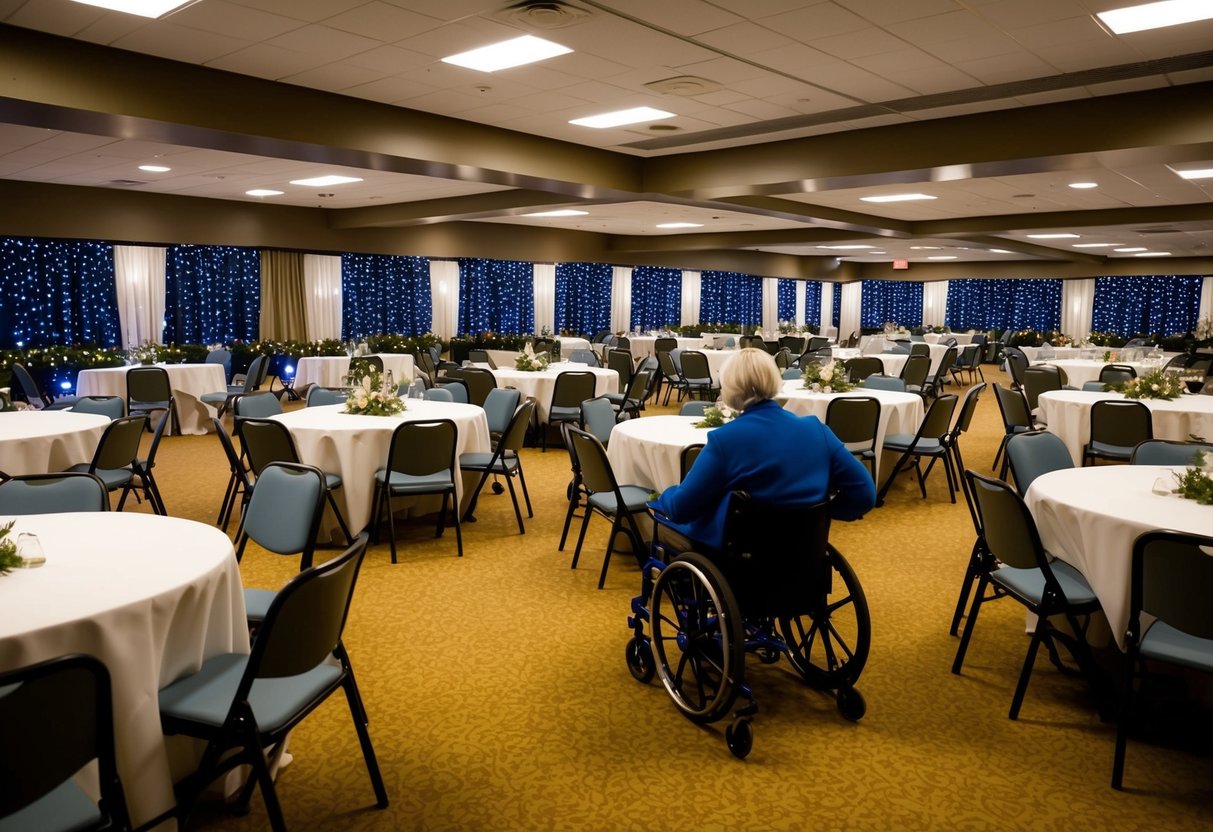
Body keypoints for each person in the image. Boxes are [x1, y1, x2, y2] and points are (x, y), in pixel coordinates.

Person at [649, 348, 876, 554]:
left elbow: (682, 509)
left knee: (665, 516)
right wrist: (819, 514)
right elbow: (865, 494)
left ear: (729, 388)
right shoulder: (817, 430)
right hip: (803, 553)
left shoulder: (725, 440)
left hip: (743, 558)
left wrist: (665, 496)